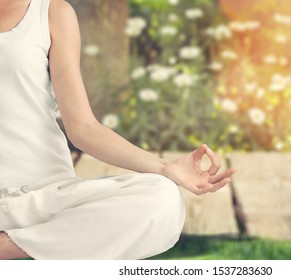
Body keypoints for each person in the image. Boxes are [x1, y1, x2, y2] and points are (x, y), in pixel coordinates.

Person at [0, 0, 236, 260]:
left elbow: (83, 127)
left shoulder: (52, 13)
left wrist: (163, 167)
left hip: (47, 197)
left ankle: (9, 247)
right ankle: (45, 248)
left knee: (162, 197)